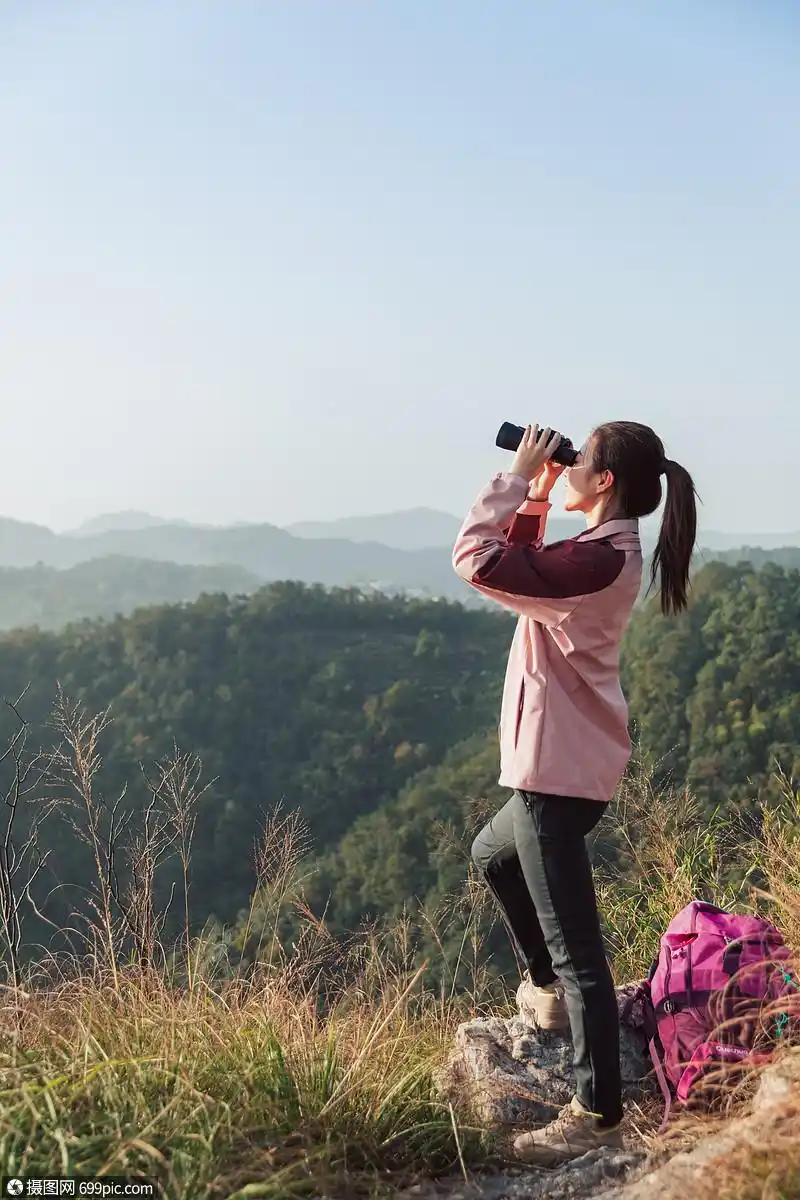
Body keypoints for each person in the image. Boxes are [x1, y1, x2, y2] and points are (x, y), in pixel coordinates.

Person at [452, 421, 697, 1165]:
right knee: (491, 856)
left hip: (554, 777)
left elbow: (478, 561)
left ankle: (595, 1113)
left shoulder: (596, 558)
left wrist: (520, 480)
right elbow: (520, 569)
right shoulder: (599, 553)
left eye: (579, 461)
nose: (569, 466)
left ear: (606, 483)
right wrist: (545, 494)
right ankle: (546, 990)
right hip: (559, 768)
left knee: (582, 954)